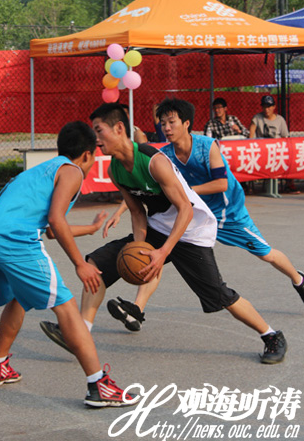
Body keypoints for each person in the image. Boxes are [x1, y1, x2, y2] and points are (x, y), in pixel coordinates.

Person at [40, 103, 287, 365]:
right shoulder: (116, 169)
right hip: (158, 226)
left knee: (219, 294)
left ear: (119, 128)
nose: (96, 139)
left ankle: (271, 335)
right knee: (96, 266)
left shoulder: (153, 161)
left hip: (190, 231)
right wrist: (139, 248)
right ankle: (79, 334)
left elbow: (185, 209)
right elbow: (137, 212)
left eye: (99, 131)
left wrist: (162, 253)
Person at [0, 121, 137, 407]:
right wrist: (80, 263)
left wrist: (89, 228)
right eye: (94, 155)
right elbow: (55, 220)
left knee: (18, 298)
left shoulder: (43, 170)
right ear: (87, 154)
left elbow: (51, 228)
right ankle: (98, 385)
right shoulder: (72, 171)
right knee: (67, 308)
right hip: (13, 240)